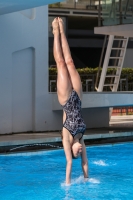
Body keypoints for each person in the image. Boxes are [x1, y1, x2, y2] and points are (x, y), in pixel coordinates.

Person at [52, 17, 88, 185]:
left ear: (71, 150)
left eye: (77, 152)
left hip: (66, 100)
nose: (79, 151)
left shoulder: (66, 137)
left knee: (60, 63)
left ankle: (55, 32)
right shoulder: (81, 138)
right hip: (78, 99)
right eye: (80, 152)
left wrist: (67, 184)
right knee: (70, 62)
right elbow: (85, 163)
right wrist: (86, 178)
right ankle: (63, 32)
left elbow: (69, 163)